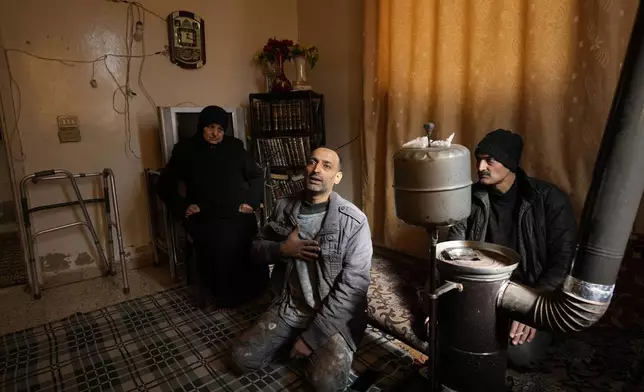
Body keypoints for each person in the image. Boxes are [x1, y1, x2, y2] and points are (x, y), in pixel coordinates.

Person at [228, 147, 373, 392]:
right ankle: (294, 343)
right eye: (312, 162)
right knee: (241, 358)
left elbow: (354, 287)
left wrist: (312, 338)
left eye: (327, 166)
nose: (316, 169)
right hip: (289, 307)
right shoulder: (285, 207)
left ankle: (311, 347)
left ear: (337, 177)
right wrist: (282, 250)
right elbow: (255, 249)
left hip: (332, 317)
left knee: (324, 385)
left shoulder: (354, 221)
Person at [444, 128, 578, 369]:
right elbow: (453, 251)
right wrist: (444, 302)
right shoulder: (469, 197)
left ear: (509, 163)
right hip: (481, 288)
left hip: (531, 293)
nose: (480, 166)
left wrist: (533, 309)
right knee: (436, 327)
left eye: (490, 160)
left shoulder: (548, 199)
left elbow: (563, 261)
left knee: (520, 355)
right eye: (479, 158)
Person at [156, 105, 269, 309]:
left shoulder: (235, 146)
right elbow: (164, 184)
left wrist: (251, 203)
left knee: (248, 234)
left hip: (236, 210)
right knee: (220, 239)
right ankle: (225, 298)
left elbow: (257, 174)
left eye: (220, 129)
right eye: (210, 127)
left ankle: (255, 292)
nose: (216, 133)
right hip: (204, 214)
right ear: (201, 127)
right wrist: (183, 208)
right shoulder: (185, 150)